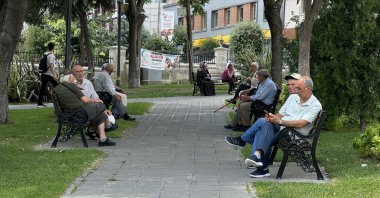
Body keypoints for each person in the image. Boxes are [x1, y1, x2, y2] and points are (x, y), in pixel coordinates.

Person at [225, 76, 322, 178]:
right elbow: (280, 115)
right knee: (265, 123)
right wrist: (272, 117)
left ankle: (255, 157)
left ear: (308, 88)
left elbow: (301, 123)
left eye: (298, 88)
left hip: (293, 135)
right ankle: (257, 158)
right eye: (296, 88)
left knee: (262, 130)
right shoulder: (293, 97)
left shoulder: (315, 105)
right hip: (282, 129)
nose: (296, 91)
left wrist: (279, 121)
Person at [53, 74, 117, 146]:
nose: (75, 81)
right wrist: (95, 100)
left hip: (68, 113)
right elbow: (85, 100)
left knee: (100, 114)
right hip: (79, 112)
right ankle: (108, 125)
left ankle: (103, 139)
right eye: (74, 79)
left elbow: (70, 99)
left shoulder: (57, 88)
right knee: (100, 105)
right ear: (69, 79)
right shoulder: (71, 85)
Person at [37, 42, 58, 108]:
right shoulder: (51, 55)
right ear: (53, 47)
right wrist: (54, 75)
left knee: (42, 88)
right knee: (57, 87)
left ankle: (39, 103)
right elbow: (51, 65)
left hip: (43, 74)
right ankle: (60, 101)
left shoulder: (45, 54)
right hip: (49, 75)